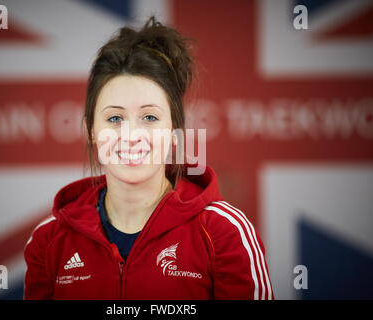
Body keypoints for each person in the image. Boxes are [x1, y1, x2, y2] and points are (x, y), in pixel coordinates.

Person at [24, 16, 273, 300]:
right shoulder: (49, 240)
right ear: (90, 131)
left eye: (150, 117)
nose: (131, 135)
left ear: (174, 132)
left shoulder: (224, 232)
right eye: (115, 118)